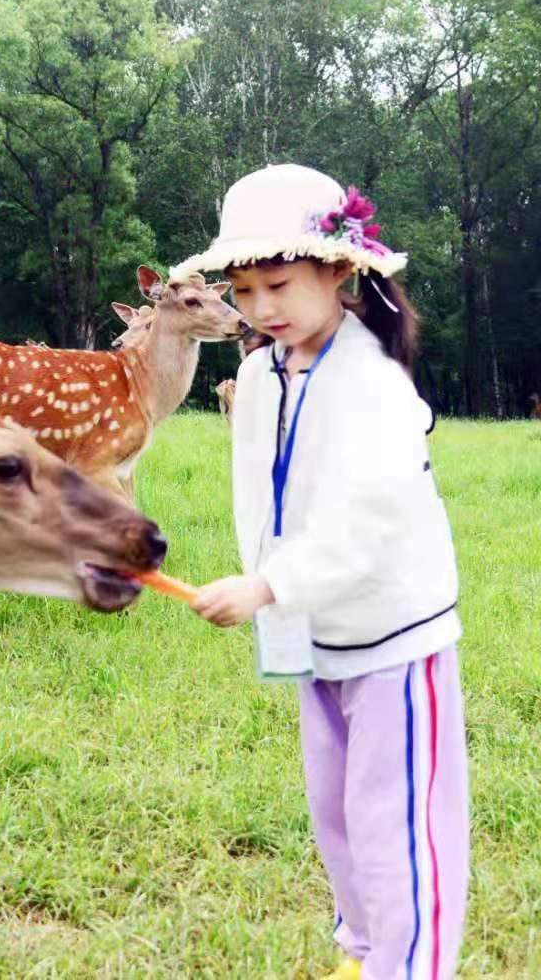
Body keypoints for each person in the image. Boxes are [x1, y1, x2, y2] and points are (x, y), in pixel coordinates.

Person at [174, 165, 468, 980]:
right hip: (312, 632)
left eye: (278, 283)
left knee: (395, 820)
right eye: (243, 288)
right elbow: (262, 497)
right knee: (336, 811)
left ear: (339, 271)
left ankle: (409, 967)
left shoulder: (373, 381)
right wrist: (271, 592)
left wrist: (268, 587)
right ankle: (363, 953)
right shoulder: (265, 373)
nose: (260, 307)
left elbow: (364, 518)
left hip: (392, 637)